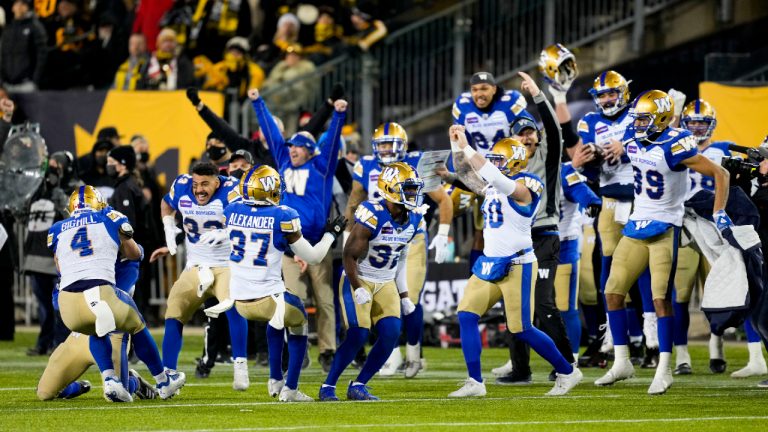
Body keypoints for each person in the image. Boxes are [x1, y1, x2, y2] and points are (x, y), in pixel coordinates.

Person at [595, 90, 731, 395]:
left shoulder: (675, 145)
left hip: (665, 226)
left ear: (658, 118)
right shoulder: (633, 134)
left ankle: (665, 368)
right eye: (637, 117)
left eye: (645, 118)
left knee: (660, 300)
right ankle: (622, 362)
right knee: (613, 292)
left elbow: (720, 173)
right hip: (635, 225)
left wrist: (719, 211)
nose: (637, 123)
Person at [447, 127, 583, 397]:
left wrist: (467, 147)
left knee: (521, 328)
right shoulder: (492, 184)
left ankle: (568, 371)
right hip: (491, 263)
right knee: (466, 314)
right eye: (493, 158)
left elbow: (494, 176)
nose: (494, 163)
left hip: (518, 265)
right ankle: (475, 381)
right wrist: (453, 150)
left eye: (499, 159)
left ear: (516, 161)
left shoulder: (527, 185)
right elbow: (468, 177)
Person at [208, 165, 346, 401]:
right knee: (299, 319)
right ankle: (290, 389)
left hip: (239, 302)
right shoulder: (283, 215)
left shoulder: (231, 210)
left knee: (280, 315)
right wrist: (331, 234)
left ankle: (275, 380)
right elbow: (314, 256)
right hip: (268, 300)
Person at [49, 185, 185, 401]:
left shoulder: (57, 228)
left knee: (95, 330)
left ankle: (111, 380)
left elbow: (59, 267)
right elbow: (134, 253)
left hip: (69, 306)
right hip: (100, 294)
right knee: (136, 323)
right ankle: (163, 380)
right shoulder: (110, 217)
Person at [344, 122, 453, 377]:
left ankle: (414, 353)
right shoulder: (366, 165)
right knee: (377, 297)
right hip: (375, 238)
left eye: (389, 144)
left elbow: (444, 199)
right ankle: (391, 354)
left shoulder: (415, 163)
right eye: (381, 144)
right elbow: (353, 201)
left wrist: (444, 234)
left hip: (409, 237)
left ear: (402, 146)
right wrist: (348, 235)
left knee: (409, 297)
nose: (384, 149)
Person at [250, 88, 347, 372]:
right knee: (294, 299)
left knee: (325, 299)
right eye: (290, 144)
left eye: (298, 145)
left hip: (316, 246)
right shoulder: (281, 160)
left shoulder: (322, 166)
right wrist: (258, 102)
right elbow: (270, 132)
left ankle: (328, 350)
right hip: (290, 248)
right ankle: (299, 346)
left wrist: (339, 114)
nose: (291, 148)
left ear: (310, 150)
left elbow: (332, 140)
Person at [490, 72, 573, 385]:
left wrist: (539, 94)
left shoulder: (547, 155)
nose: (526, 137)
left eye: (529, 132)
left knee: (542, 303)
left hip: (543, 236)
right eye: (520, 133)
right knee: (514, 304)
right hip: (515, 241)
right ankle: (520, 368)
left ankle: (566, 361)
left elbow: (555, 130)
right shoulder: (505, 168)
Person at [320, 162, 425, 401]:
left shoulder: (414, 218)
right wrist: (357, 288)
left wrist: (405, 295)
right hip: (359, 276)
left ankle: (358, 385)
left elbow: (401, 257)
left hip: (386, 281)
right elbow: (349, 254)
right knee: (358, 333)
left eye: (413, 189)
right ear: (390, 188)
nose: (412, 194)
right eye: (407, 189)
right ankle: (328, 385)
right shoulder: (372, 212)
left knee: (390, 333)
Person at [149, 161, 250, 391]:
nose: (199, 190)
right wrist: (168, 228)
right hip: (195, 265)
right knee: (174, 311)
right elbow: (166, 204)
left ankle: (240, 367)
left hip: (226, 264)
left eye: (205, 184)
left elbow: (246, 221)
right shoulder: (182, 185)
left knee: (233, 308)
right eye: (196, 184)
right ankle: (168, 377)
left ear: (217, 181)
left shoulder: (232, 190)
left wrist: (226, 233)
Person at [37, 245, 157, 401]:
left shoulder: (122, 259)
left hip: (112, 333)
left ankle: (134, 382)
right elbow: (57, 303)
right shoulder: (74, 264)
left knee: (117, 395)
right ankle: (77, 387)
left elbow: (135, 254)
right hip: (81, 334)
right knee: (44, 393)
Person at [23, 152, 80, 355]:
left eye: (57, 165)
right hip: (36, 255)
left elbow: (79, 217)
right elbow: (28, 219)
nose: (52, 169)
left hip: (59, 256)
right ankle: (44, 342)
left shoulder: (76, 188)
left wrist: (63, 201)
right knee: (44, 305)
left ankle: (60, 343)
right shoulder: (40, 189)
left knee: (60, 304)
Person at [555, 162, 601, 362]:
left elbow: (583, 193)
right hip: (531, 246)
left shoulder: (564, 171)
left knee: (565, 306)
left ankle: (570, 359)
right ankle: (518, 361)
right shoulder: (520, 169)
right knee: (526, 307)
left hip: (563, 245)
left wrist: (590, 202)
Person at [262, 45, 317, 136]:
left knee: (290, 133)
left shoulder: (306, 67)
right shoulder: (280, 67)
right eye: (289, 55)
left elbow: (308, 88)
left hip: (295, 106)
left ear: (300, 57)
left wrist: (296, 104)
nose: (291, 57)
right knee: (277, 131)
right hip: (278, 106)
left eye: (294, 55)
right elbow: (269, 83)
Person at [1, 0, 47, 92]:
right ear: (13, 8)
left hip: (26, 85)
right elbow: (2, 55)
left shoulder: (35, 27)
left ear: (27, 7)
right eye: (18, 4)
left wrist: (35, 81)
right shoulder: (8, 29)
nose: (20, 7)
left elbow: (42, 56)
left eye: (23, 4)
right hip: (6, 85)